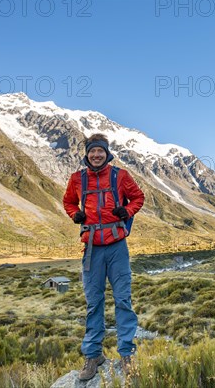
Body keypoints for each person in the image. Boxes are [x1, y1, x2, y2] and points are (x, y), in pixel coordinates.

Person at [63, 133, 145, 381]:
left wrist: (127, 210)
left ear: (107, 153)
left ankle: (127, 355)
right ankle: (93, 356)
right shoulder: (77, 179)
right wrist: (74, 214)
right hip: (91, 249)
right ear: (87, 154)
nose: (96, 155)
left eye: (100, 151)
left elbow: (138, 197)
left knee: (123, 300)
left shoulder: (120, 176)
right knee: (93, 303)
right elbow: (68, 201)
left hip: (117, 246)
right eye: (92, 151)